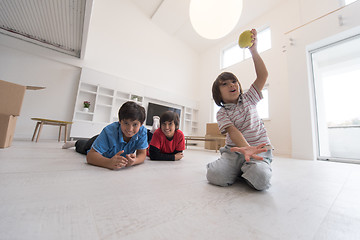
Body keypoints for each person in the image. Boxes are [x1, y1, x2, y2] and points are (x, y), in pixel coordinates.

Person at [206, 29, 273, 190]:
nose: (231, 84)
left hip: (258, 149)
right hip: (234, 151)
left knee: (261, 180)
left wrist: (254, 50)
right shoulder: (222, 112)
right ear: (218, 94)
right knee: (214, 176)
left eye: (234, 81)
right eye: (225, 83)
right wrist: (244, 148)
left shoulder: (250, 97)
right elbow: (233, 131)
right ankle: (236, 168)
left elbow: (263, 76)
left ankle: (247, 170)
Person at [62, 101, 148, 170]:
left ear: (141, 124)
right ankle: (75, 143)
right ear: (119, 121)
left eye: (135, 124)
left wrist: (134, 161)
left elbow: (142, 154)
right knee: (84, 146)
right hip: (98, 142)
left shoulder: (142, 132)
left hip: (111, 145)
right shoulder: (109, 131)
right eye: (126, 123)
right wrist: (108, 163)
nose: (130, 129)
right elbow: (90, 157)